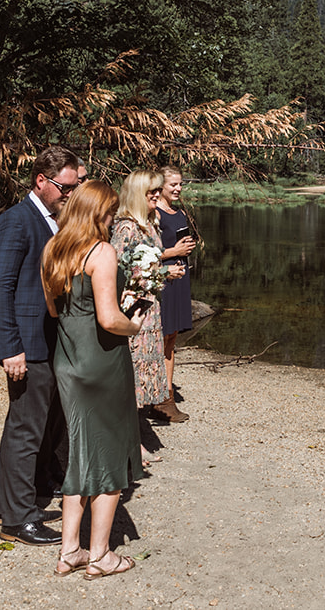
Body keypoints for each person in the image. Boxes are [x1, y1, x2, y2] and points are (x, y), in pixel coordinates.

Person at [40, 179, 144, 580]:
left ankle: (70, 551)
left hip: (67, 361)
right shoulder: (101, 252)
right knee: (110, 455)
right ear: (96, 213)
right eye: (109, 212)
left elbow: (53, 311)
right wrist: (134, 323)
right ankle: (101, 555)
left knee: (81, 454)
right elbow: (108, 318)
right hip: (101, 362)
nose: (112, 219)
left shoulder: (52, 249)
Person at [0, 145, 81, 545]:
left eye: (75, 188)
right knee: (24, 430)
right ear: (41, 181)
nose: (70, 195)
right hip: (25, 345)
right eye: (64, 187)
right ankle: (16, 517)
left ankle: (39, 491)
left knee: (45, 426)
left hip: (50, 342)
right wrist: (10, 348)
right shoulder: (16, 221)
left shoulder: (55, 221)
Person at [110, 169, 186, 464]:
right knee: (130, 378)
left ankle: (133, 439)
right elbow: (119, 272)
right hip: (133, 312)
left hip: (149, 312)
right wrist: (164, 271)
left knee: (141, 380)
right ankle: (129, 444)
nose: (156, 196)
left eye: (157, 191)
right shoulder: (126, 228)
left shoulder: (148, 225)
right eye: (150, 192)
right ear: (136, 195)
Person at [152, 166, 199, 423]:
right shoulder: (153, 214)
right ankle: (157, 396)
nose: (178, 188)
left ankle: (168, 392)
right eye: (173, 185)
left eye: (180, 184)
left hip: (180, 278)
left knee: (171, 338)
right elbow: (141, 254)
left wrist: (185, 248)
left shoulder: (179, 212)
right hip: (163, 279)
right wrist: (172, 252)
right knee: (160, 336)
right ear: (160, 186)